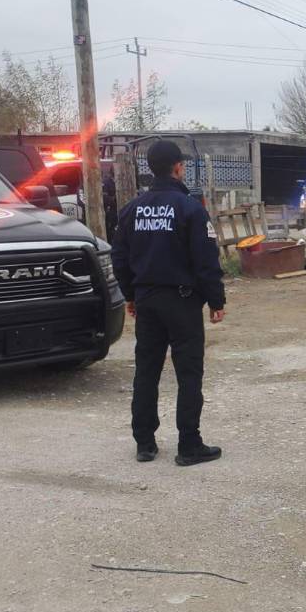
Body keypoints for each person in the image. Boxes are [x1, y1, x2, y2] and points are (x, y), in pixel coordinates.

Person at [111, 140, 226, 467]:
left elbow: (119, 257)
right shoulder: (189, 208)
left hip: (147, 300)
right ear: (177, 167)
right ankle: (189, 445)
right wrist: (216, 300)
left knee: (146, 370)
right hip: (182, 301)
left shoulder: (133, 209)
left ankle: (144, 444)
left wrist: (130, 294)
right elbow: (205, 260)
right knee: (188, 373)